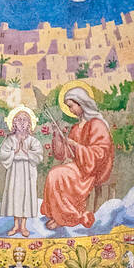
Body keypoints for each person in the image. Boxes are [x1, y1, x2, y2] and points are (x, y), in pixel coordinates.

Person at [41, 88, 114, 230]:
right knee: (55, 173)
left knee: (57, 174)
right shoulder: (75, 127)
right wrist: (58, 137)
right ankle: (59, 215)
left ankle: (69, 216)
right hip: (78, 166)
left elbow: (101, 152)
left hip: (92, 168)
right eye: (68, 107)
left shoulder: (96, 124)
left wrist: (77, 146)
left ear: (81, 103)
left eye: (71, 106)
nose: (70, 110)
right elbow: (65, 154)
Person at [0, 106, 42, 236]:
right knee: (15, 196)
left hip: (28, 173)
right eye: (18, 120)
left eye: (25, 120)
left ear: (29, 124)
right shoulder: (10, 140)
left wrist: (26, 152)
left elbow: (39, 156)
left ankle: (23, 226)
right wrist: (14, 152)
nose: (22, 123)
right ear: (14, 123)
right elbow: (3, 155)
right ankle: (15, 225)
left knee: (26, 197)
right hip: (14, 172)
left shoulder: (33, 141)